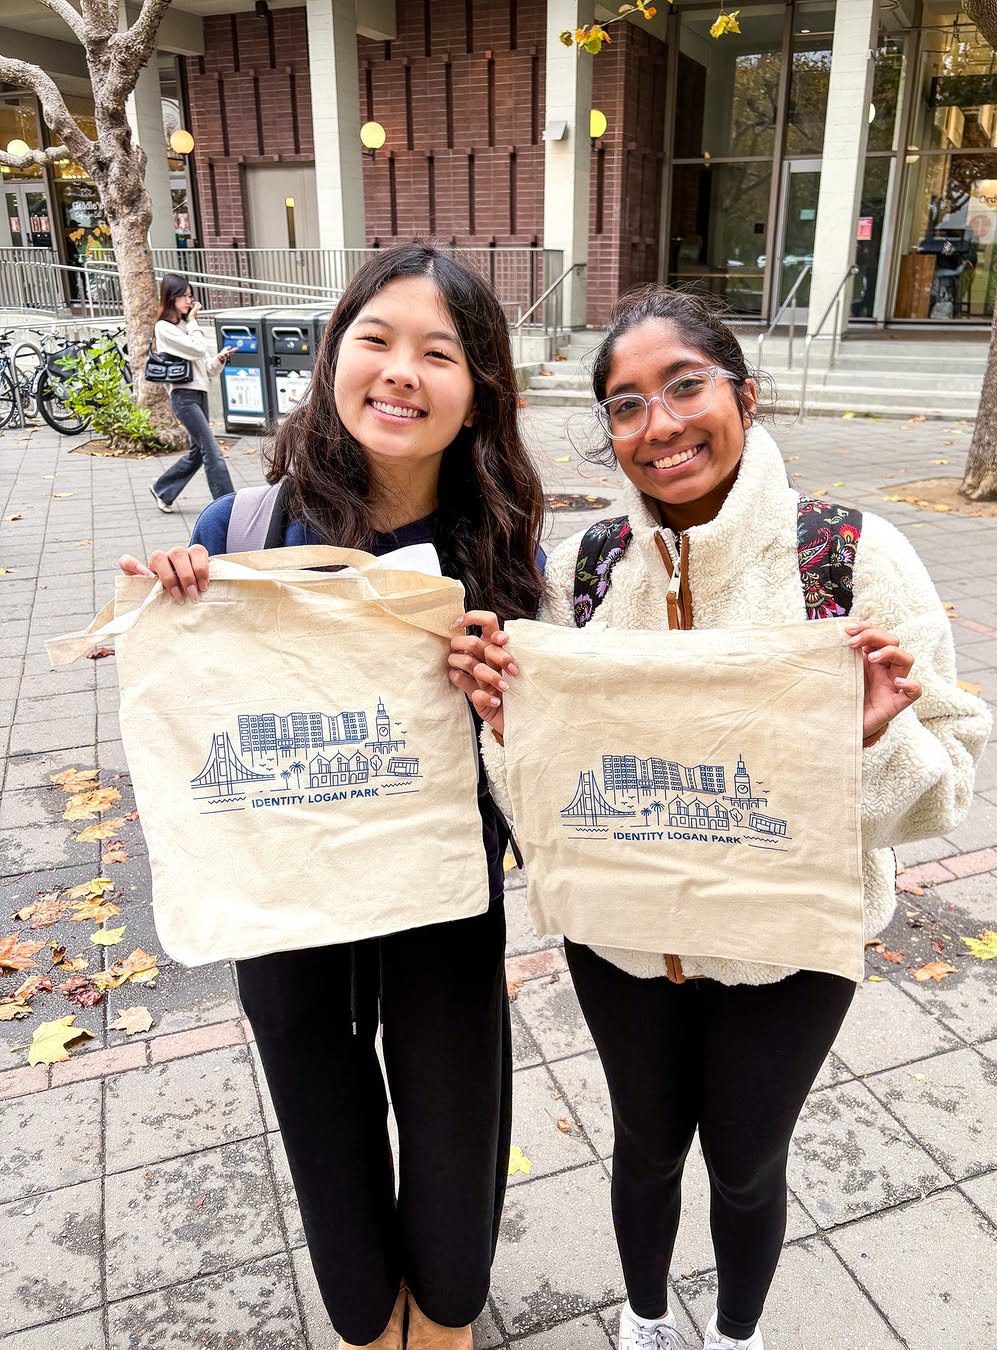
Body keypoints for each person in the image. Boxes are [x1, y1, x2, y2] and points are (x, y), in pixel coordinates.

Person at [449, 286, 991, 1350]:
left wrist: (879, 739)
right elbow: (543, 793)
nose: (660, 425)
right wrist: (505, 726)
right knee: (645, 1148)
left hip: (790, 954)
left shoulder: (848, 556)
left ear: (744, 393)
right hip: (625, 940)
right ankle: (646, 1320)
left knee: (747, 1163)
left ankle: (736, 1333)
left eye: (684, 386)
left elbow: (950, 779)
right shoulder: (586, 568)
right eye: (625, 404)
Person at [119, 245, 546, 1349]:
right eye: (378, 340)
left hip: (441, 884)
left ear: (478, 389)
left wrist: (506, 695)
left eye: (439, 353)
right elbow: (204, 705)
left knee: (455, 1105)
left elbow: (541, 749)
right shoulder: (244, 531)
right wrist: (178, 601)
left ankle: (448, 1314)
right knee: (316, 1091)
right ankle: (364, 1316)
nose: (402, 372)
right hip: (284, 874)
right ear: (335, 356)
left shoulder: (498, 546)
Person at [148, 272, 235, 513]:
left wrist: (220, 359)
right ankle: (229, 505)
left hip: (199, 394)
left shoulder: (185, 327)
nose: (190, 301)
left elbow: (207, 367)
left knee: (198, 453)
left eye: (190, 296)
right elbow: (197, 349)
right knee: (211, 450)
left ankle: (163, 489)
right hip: (183, 398)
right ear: (171, 298)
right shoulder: (164, 328)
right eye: (184, 296)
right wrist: (195, 322)